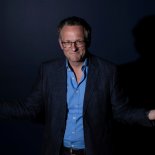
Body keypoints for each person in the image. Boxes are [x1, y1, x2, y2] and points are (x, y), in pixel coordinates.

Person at [0, 16, 155, 155]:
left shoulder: (108, 71)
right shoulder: (48, 71)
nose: (73, 48)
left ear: (88, 41)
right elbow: (30, 108)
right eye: (67, 42)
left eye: (78, 41)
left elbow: (121, 112)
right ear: (60, 44)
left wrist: (150, 115)